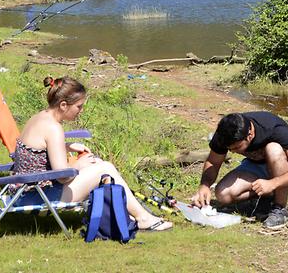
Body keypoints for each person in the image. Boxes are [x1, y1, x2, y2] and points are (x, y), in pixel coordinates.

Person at [14, 76, 172, 232]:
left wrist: (67, 146)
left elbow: (40, 149)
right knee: (106, 168)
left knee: (97, 164)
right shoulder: (53, 128)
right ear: (63, 105)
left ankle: (124, 213)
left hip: (24, 191)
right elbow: (62, 176)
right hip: (39, 196)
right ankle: (142, 218)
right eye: (79, 106)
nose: (81, 111)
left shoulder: (39, 117)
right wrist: (78, 165)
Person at [191, 111, 288, 230]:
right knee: (223, 194)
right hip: (257, 164)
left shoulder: (272, 128)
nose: (233, 151)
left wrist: (273, 183)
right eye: (230, 149)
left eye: (237, 147)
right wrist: (205, 185)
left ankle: (280, 208)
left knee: (273, 149)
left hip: (287, 160)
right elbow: (213, 161)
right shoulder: (224, 134)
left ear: (250, 135)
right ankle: (267, 196)